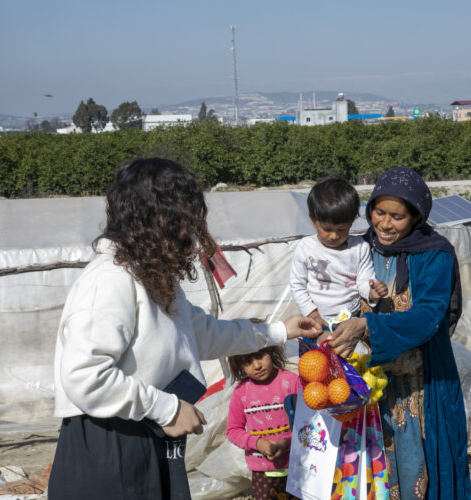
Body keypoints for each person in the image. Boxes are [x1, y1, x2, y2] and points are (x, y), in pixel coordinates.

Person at [48, 158, 319, 500]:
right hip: (111, 443)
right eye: (185, 223)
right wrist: (168, 409)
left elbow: (202, 334)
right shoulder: (110, 280)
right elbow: (85, 375)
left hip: (147, 430)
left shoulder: (151, 277)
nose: (191, 237)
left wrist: (279, 331)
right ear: (156, 220)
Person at [327, 166, 471, 499]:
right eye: (379, 212)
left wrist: (368, 325)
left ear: (416, 216)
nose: (385, 223)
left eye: (397, 216)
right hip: (366, 388)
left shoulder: (435, 254)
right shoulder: (357, 249)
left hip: (420, 388)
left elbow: (428, 317)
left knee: (420, 469)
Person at [289, 175, 387, 330]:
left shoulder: (360, 247)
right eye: (326, 229)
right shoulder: (305, 247)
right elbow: (297, 285)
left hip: (350, 317)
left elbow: (363, 279)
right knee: (319, 353)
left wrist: (372, 291)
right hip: (315, 319)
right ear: (313, 220)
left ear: (352, 221)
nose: (334, 236)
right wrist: (312, 313)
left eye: (342, 229)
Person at [225, 346, 301, 500]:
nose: (257, 365)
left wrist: (287, 443)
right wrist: (258, 443)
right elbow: (233, 430)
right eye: (247, 362)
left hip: (299, 466)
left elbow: (309, 424)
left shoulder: (292, 382)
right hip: (263, 474)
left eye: (260, 356)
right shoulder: (241, 391)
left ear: (271, 351)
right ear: (239, 366)